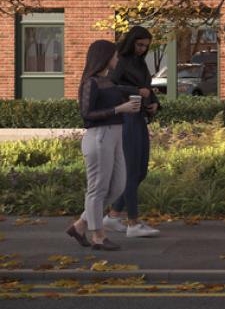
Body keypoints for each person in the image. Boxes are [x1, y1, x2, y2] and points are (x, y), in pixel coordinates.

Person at [67, 39, 140, 251]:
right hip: (99, 136)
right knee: (97, 189)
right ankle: (98, 236)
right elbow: (86, 114)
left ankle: (80, 225)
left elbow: (121, 92)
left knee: (118, 186)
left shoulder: (107, 81)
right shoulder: (90, 82)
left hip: (115, 135)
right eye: (115, 56)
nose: (117, 59)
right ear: (105, 57)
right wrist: (120, 109)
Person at [105, 25, 161, 238]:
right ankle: (134, 223)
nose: (142, 49)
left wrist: (154, 103)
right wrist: (135, 91)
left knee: (140, 172)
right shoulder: (120, 60)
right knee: (130, 171)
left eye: (146, 47)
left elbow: (147, 86)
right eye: (139, 45)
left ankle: (113, 216)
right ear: (131, 42)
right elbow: (109, 86)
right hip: (125, 118)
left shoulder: (139, 62)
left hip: (139, 117)